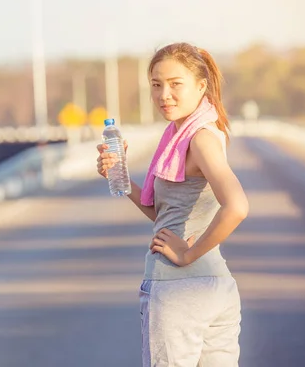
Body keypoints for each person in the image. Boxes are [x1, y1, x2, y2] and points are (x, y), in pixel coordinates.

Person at [96, 42, 249, 366]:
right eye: (156, 85)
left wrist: (188, 253)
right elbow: (163, 213)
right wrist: (121, 178)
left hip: (178, 290)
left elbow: (237, 206)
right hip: (216, 287)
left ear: (201, 86)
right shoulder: (194, 134)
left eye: (175, 84)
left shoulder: (198, 139)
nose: (164, 94)